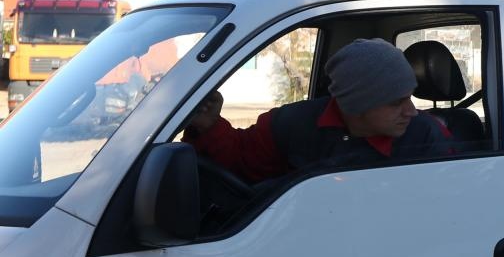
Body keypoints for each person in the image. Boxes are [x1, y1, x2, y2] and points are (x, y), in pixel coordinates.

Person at [184, 38, 454, 182]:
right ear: (357, 103)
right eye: (396, 102)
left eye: (409, 97)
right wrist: (208, 125)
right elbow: (240, 163)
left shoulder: (427, 137)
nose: (411, 111)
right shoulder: (290, 124)